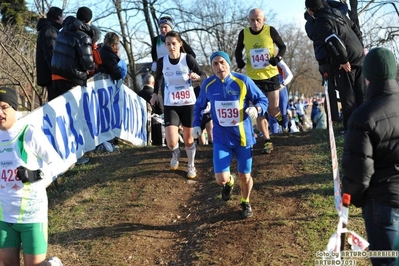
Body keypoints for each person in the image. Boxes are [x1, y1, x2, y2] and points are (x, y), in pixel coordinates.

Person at [341, 47, 399, 266]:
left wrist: (351, 195)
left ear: (367, 77)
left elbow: (359, 174)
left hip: (383, 205)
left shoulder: (363, 116)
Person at [193, 51, 268, 219]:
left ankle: (245, 201)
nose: (219, 67)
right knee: (221, 179)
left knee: (245, 175)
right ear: (212, 67)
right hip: (221, 138)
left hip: (243, 137)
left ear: (228, 63)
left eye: (222, 62)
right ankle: (229, 182)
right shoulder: (208, 85)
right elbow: (199, 106)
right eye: (215, 64)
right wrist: (196, 125)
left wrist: (257, 109)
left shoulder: (243, 81)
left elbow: (262, 99)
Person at [0, 87, 67, 266]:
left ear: (14, 108)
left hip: (32, 217)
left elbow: (58, 163)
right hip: (4, 217)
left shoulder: (28, 133)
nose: (0, 112)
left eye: (4, 107)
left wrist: (35, 174)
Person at [150, 31, 206, 179]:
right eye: (168, 44)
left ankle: (191, 165)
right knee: (171, 140)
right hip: (171, 104)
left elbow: (204, 75)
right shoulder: (163, 61)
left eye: (174, 43)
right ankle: (176, 152)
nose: (171, 47)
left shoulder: (187, 59)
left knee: (188, 140)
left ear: (180, 44)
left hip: (188, 104)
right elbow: (159, 78)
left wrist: (197, 77)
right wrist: (155, 94)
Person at [305, 0, 365, 132]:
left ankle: (351, 130)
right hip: (358, 55)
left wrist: (343, 60)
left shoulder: (320, 22)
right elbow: (354, 26)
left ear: (310, 10)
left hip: (344, 60)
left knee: (348, 95)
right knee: (361, 93)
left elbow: (333, 40)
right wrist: (361, 46)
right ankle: (363, 125)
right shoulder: (338, 12)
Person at [235, 8, 286, 154]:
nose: (255, 23)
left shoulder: (270, 31)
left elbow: (283, 47)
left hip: (270, 75)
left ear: (263, 20)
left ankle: (282, 119)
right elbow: (238, 50)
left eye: (258, 20)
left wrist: (277, 59)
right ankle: (267, 141)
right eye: (252, 20)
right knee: (259, 110)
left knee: (272, 109)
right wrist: (239, 61)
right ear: (248, 20)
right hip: (253, 78)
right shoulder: (244, 33)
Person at [50, 6, 95, 100]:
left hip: (56, 77)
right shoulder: (83, 36)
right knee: (75, 112)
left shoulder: (62, 32)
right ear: (88, 20)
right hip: (72, 79)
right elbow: (88, 62)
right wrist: (92, 67)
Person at [36, 7, 63, 102]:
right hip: (53, 77)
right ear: (59, 17)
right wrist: (58, 71)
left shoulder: (48, 29)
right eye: (62, 17)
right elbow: (51, 53)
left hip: (51, 76)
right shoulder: (50, 31)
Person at [138, 74, 164, 146]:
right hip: (155, 124)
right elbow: (161, 110)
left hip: (140, 124)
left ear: (143, 82)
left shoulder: (137, 95)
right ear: (153, 83)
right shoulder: (156, 96)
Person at [268, 60, 293, 134]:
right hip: (270, 88)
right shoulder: (261, 63)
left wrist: (283, 84)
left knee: (283, 111)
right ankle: (274, 133)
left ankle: (285, 129)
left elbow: (290, 75)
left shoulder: (278, 60)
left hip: (280, 88)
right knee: (272, 111)